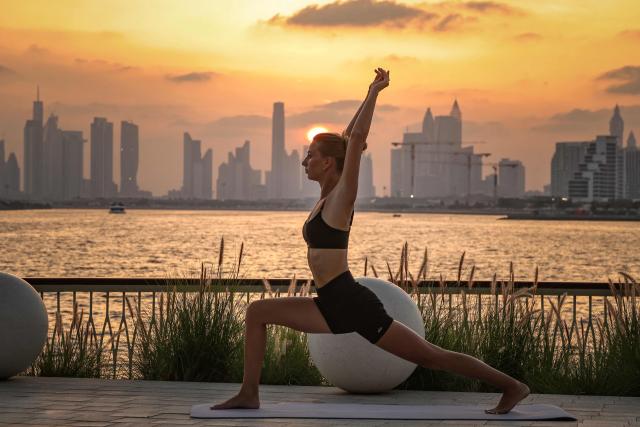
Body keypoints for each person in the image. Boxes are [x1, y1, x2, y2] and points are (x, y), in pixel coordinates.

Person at [213, 68, 529, 414]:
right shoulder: (325, 197)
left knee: (431, 357)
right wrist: (365, 97)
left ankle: (512, 386)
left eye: (310, 155)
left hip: (351, 304)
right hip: (329, 303)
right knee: (257, 313)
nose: (305, 161)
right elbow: (349, 136)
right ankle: (249, 394)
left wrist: (375, 93)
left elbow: (356, 139)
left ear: (329, 162)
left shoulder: (342, 197)